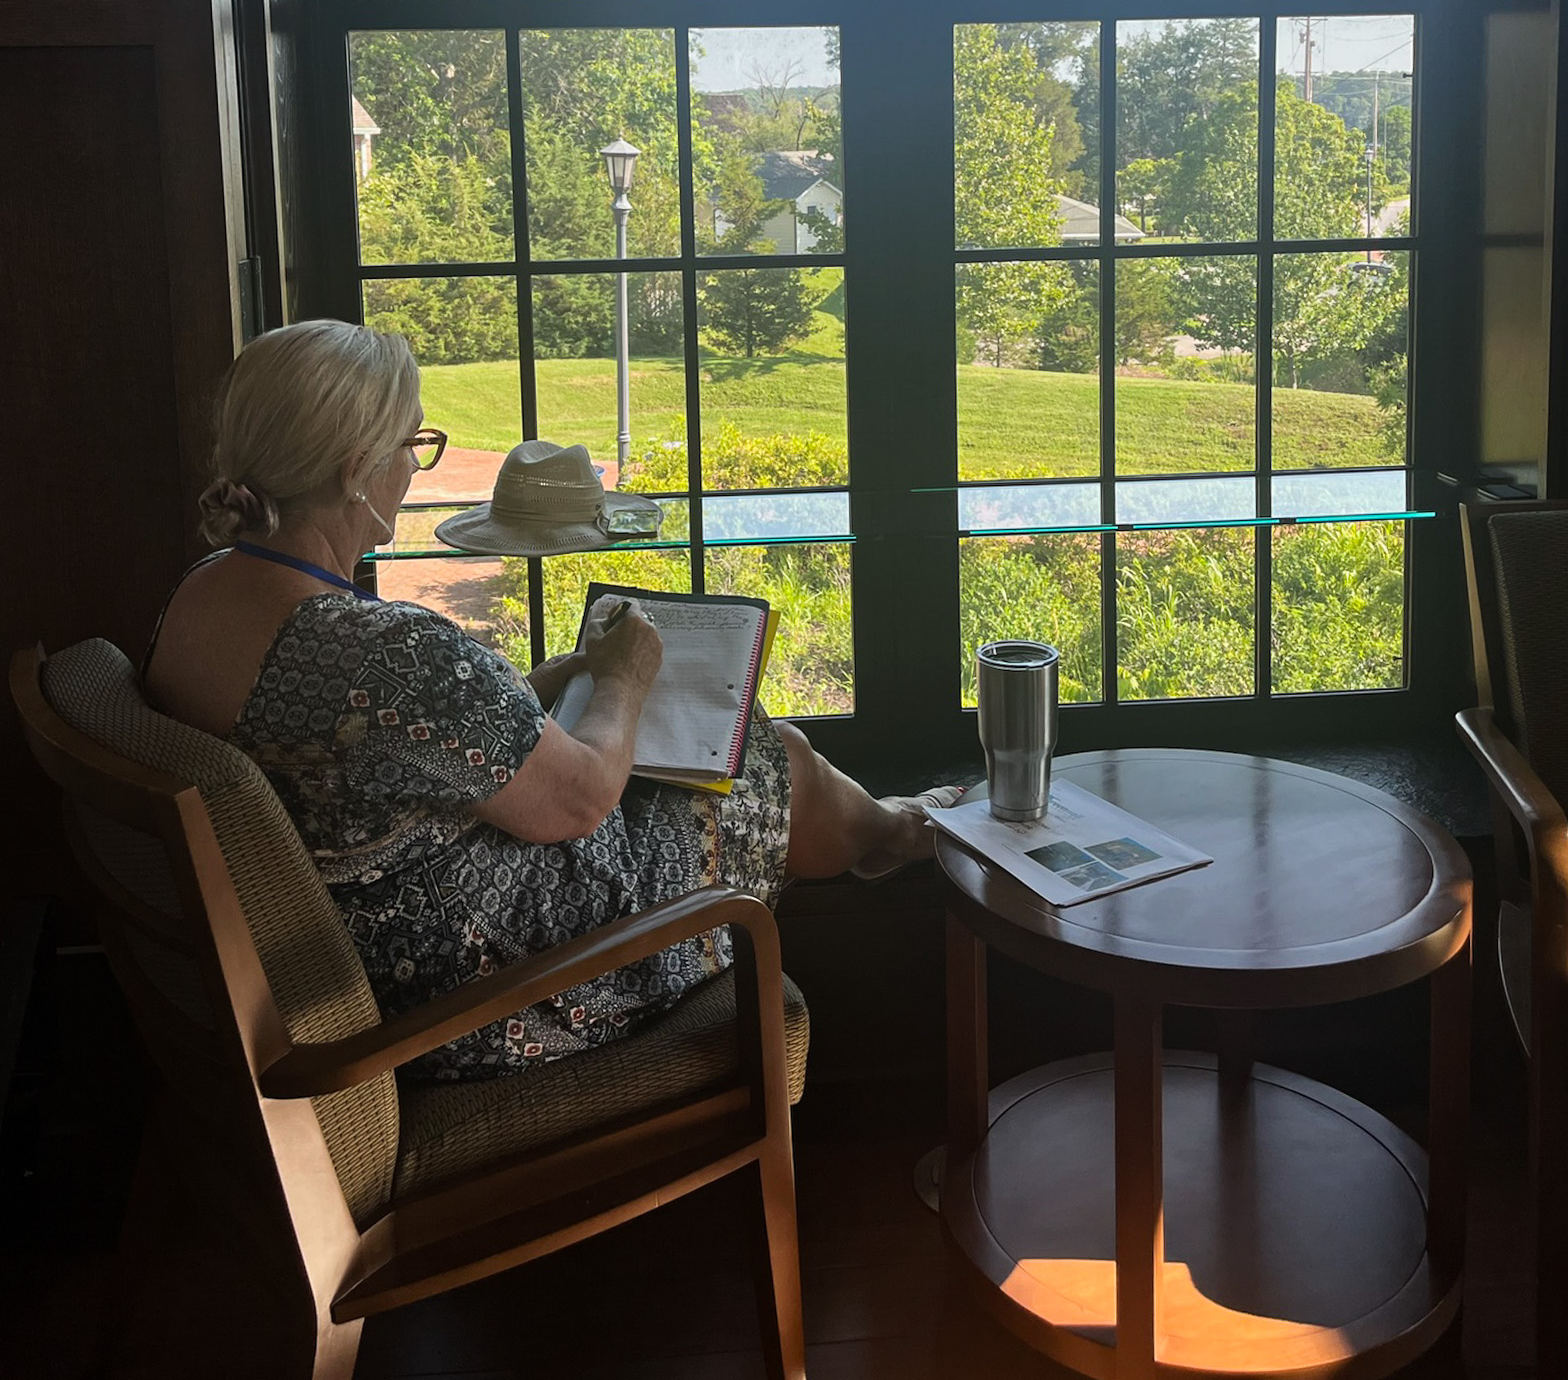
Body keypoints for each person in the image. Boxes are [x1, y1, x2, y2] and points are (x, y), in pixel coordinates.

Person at [144, 320, 960, 1081]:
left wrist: (569, 673)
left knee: (743, 753)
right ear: (355, 470)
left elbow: (386, 747)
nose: (412, 465)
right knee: (768, 760)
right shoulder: (382, 656)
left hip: (357, 950)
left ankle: (891, 827)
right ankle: (900, 833)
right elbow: (578, 802)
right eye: (413, 444)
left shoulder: (202, 597)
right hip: (472, 992)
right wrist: (626, 674)